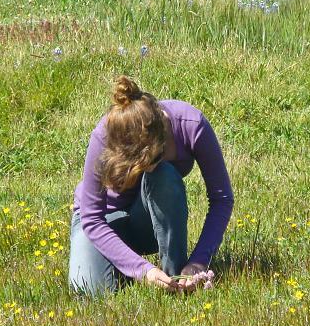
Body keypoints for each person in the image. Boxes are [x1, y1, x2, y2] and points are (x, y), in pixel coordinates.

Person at [68, 75, 234, 296]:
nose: (146, 170)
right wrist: (143, 270)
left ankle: (175, 278)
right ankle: (127, 265)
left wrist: (199, 262)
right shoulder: (104, 134)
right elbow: (92, 218)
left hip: (147, 222)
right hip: (105, 222)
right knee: (89, 291)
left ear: (163, 136)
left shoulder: (192, 126)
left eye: (152, 161)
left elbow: (222, 199)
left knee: (163, 175)